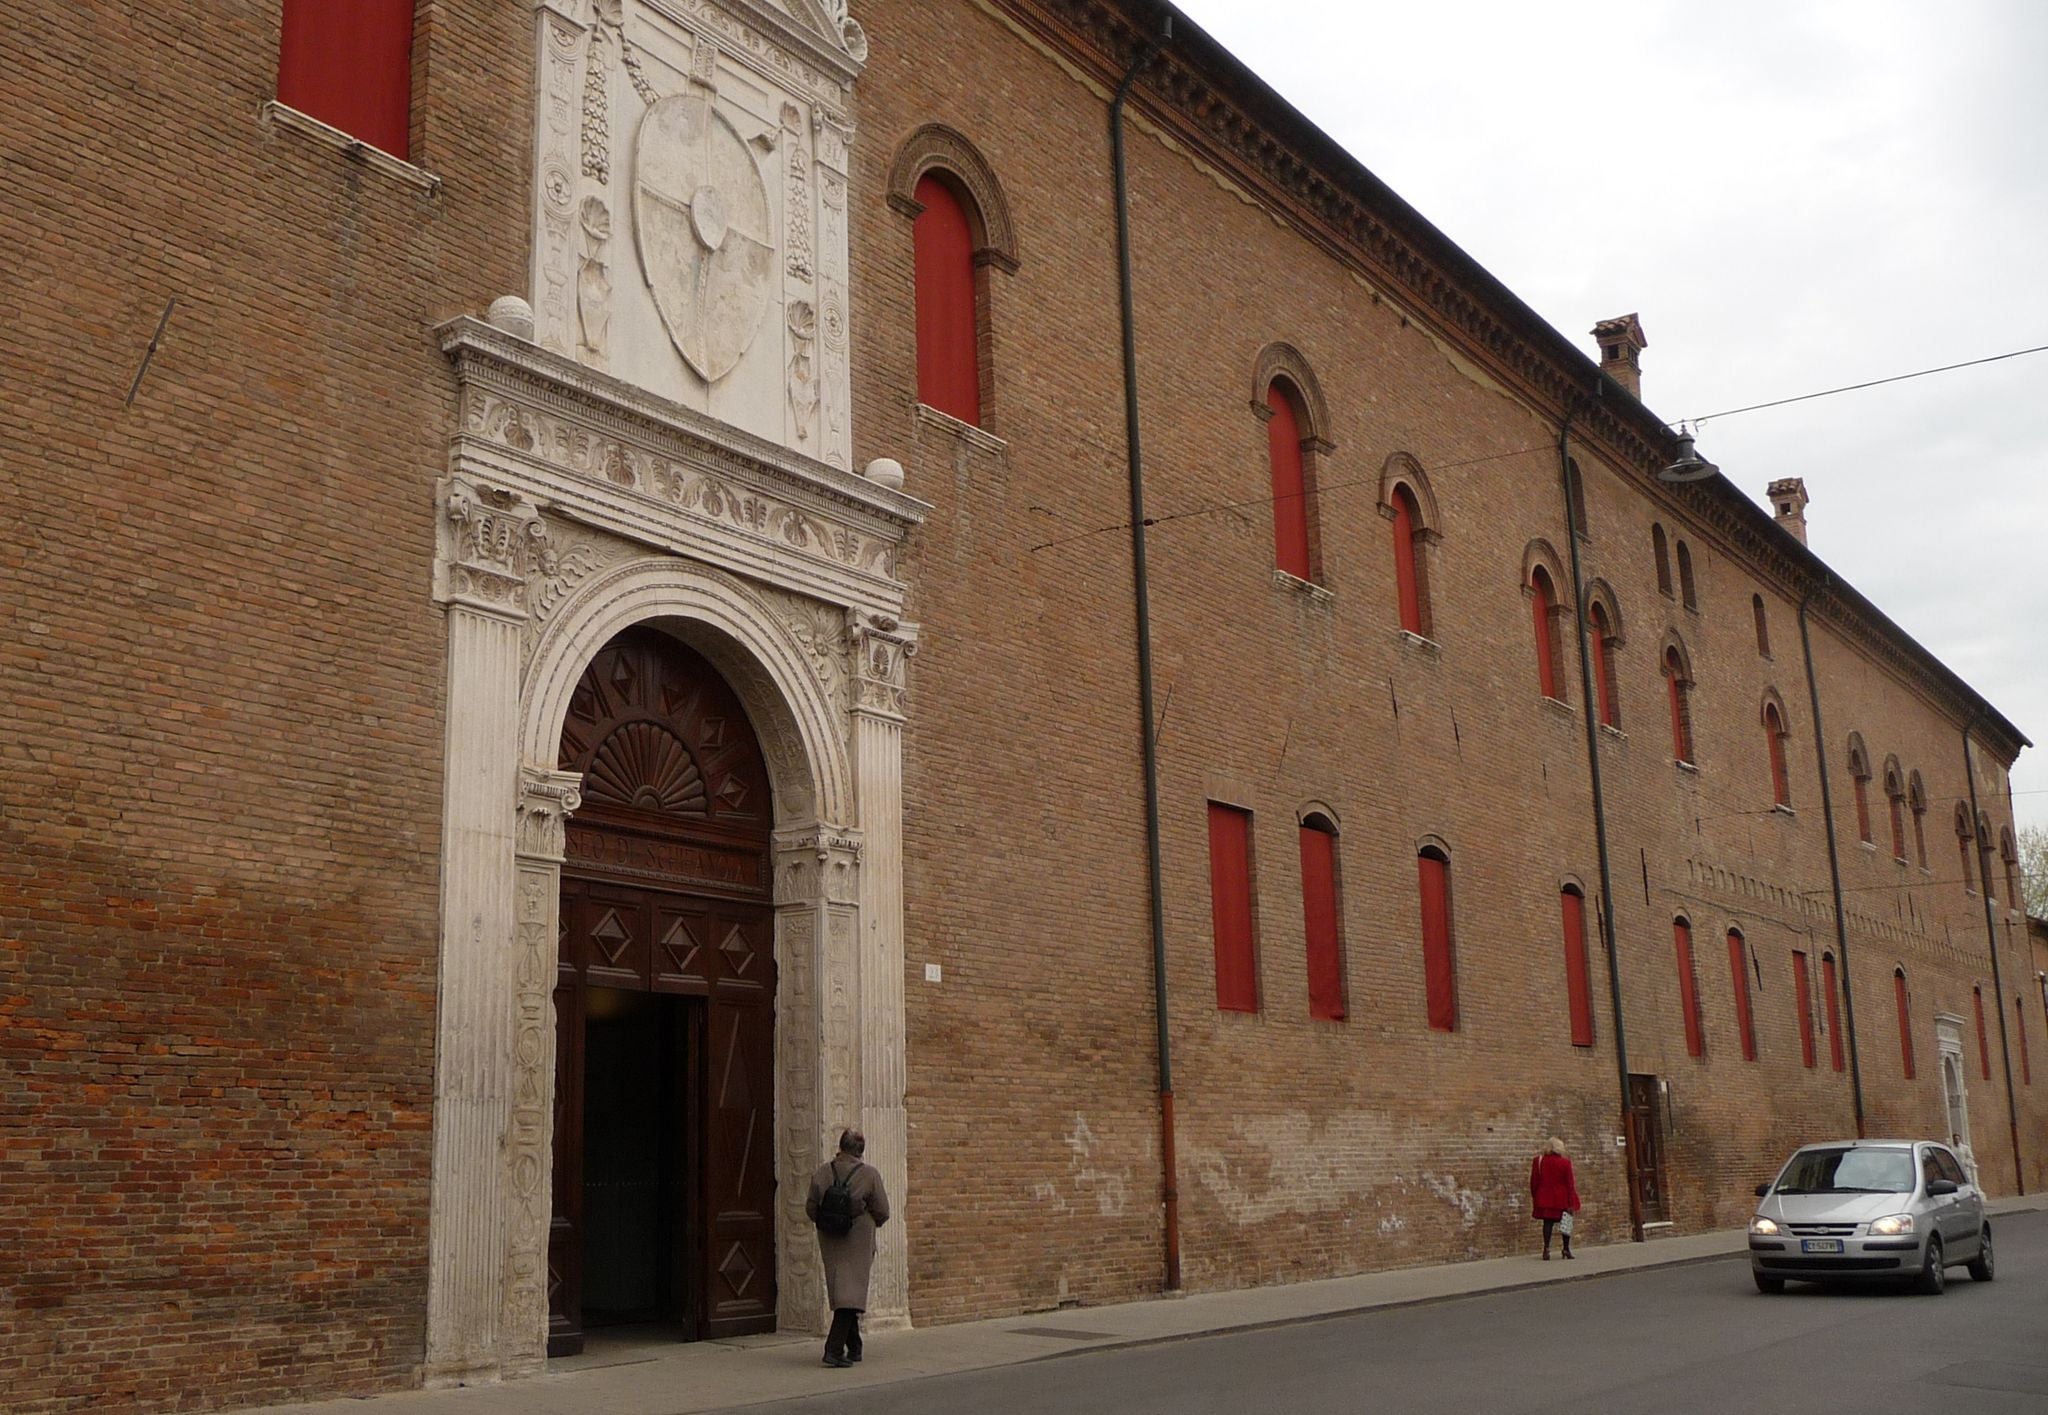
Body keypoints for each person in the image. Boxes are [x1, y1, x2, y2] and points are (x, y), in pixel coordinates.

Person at [806, 1127, 891, 1368]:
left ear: (841, 1147)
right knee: (850, 1294)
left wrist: (827, 1220)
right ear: (860, 1151)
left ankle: (854, 1347)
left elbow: (810, 1207)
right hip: (858, 1239)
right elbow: (882, 1211)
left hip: (830, 1238)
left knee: (843, 1290)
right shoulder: (869, 1175)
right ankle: (833, 1350)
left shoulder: (822, 1172)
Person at [1529, 1136, 1581, 1260]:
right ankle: (1566, 1249)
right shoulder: (1565, 1163)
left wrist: (1535, 1195)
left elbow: (1534, 1181)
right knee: (1566, 1222)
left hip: (1545, 1196)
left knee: (1547, 1223)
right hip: (1562, 1197)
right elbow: (1570, 1183)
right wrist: (1571, 1200)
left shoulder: (1538, 1161)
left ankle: (1546, 1248)